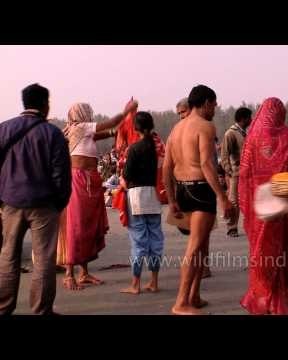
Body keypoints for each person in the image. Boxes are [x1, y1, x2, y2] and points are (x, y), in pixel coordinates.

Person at [0, 83, 71, 315]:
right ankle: (41, 310)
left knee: (8, 257)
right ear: (45, 104)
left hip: (11, 203)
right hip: (44, 205)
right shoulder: (52, 133)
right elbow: (61, 173)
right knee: (43, 261)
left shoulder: (4, 129)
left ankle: (3, 307)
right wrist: (59, 203)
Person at [163, 85, 233, 315]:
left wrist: (172, 199)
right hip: (200, 189)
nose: (214, 109)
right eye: (213, 105)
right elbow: (206, 164)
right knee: (194, 248)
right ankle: (181, 302)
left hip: (182, 190)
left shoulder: (176, 129)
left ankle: (194, 295)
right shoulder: (205, 126)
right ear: (205, 103)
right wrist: (223, 197)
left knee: (200, 245)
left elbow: (166, 166)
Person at [239, 97, 288, 315]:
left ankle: (264, 300)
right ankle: (286, 301)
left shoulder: (251, 139)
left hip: (260, 210)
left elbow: (244, 174)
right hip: (286, 207)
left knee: (263, 253)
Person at [59, 99, 138, 291]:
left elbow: (104, 132)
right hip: (79, 180)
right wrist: (125, 111)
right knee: (76, 225)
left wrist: (117, 131)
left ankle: (84, 272)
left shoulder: (81, 132)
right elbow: (110, 123)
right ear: (81, 115)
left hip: (91, 180)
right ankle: (69, 274)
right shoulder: (79, 127)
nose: (90, 115)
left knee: (87, 225)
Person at [120, 112, 165, 295]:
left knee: (139, 242)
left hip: (137, 196)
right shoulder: (157, 147)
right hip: (153, 196)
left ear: (135, 128)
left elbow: (127, 176)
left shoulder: (134, 148)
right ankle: (154, 282)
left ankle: (135, 284)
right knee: (155, 240)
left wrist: (122, 183)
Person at [220, 107, 252, 238]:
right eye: (249, 118)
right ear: (243, 119)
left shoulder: (245, 132)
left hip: (248, 173)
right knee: (234, 201)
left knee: (249, 200)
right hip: (236, 174)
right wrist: (229, 171)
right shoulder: (230, 133)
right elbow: (224, 155)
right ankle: (232, 227)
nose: (251, 120)